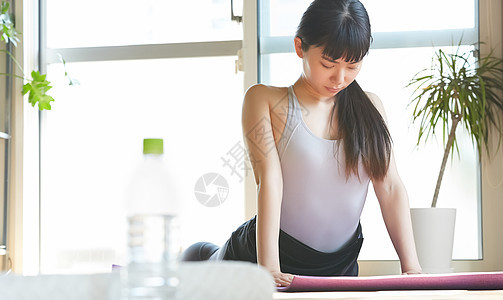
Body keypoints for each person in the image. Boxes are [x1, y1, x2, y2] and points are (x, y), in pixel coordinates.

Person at [182, 0, 422, 287]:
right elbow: (269, 181)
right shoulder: (265, 100)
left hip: (338, 266)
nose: (340, 78)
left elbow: (390, 186)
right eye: (328, 64)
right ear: (300, 47)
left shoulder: (370, 107)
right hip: (260, 257)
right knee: (196, 260)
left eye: (352, 65)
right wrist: (268, 268)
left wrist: (412, 269)